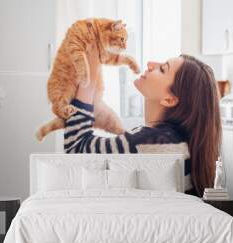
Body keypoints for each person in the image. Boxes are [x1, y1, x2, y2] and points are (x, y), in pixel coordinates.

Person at [63, 44, 222, 197]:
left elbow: (76, 149)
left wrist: (88, 80)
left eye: (162, 69)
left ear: (169, 99)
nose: (150, 64)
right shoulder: (174, 141)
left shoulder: (150, 142)